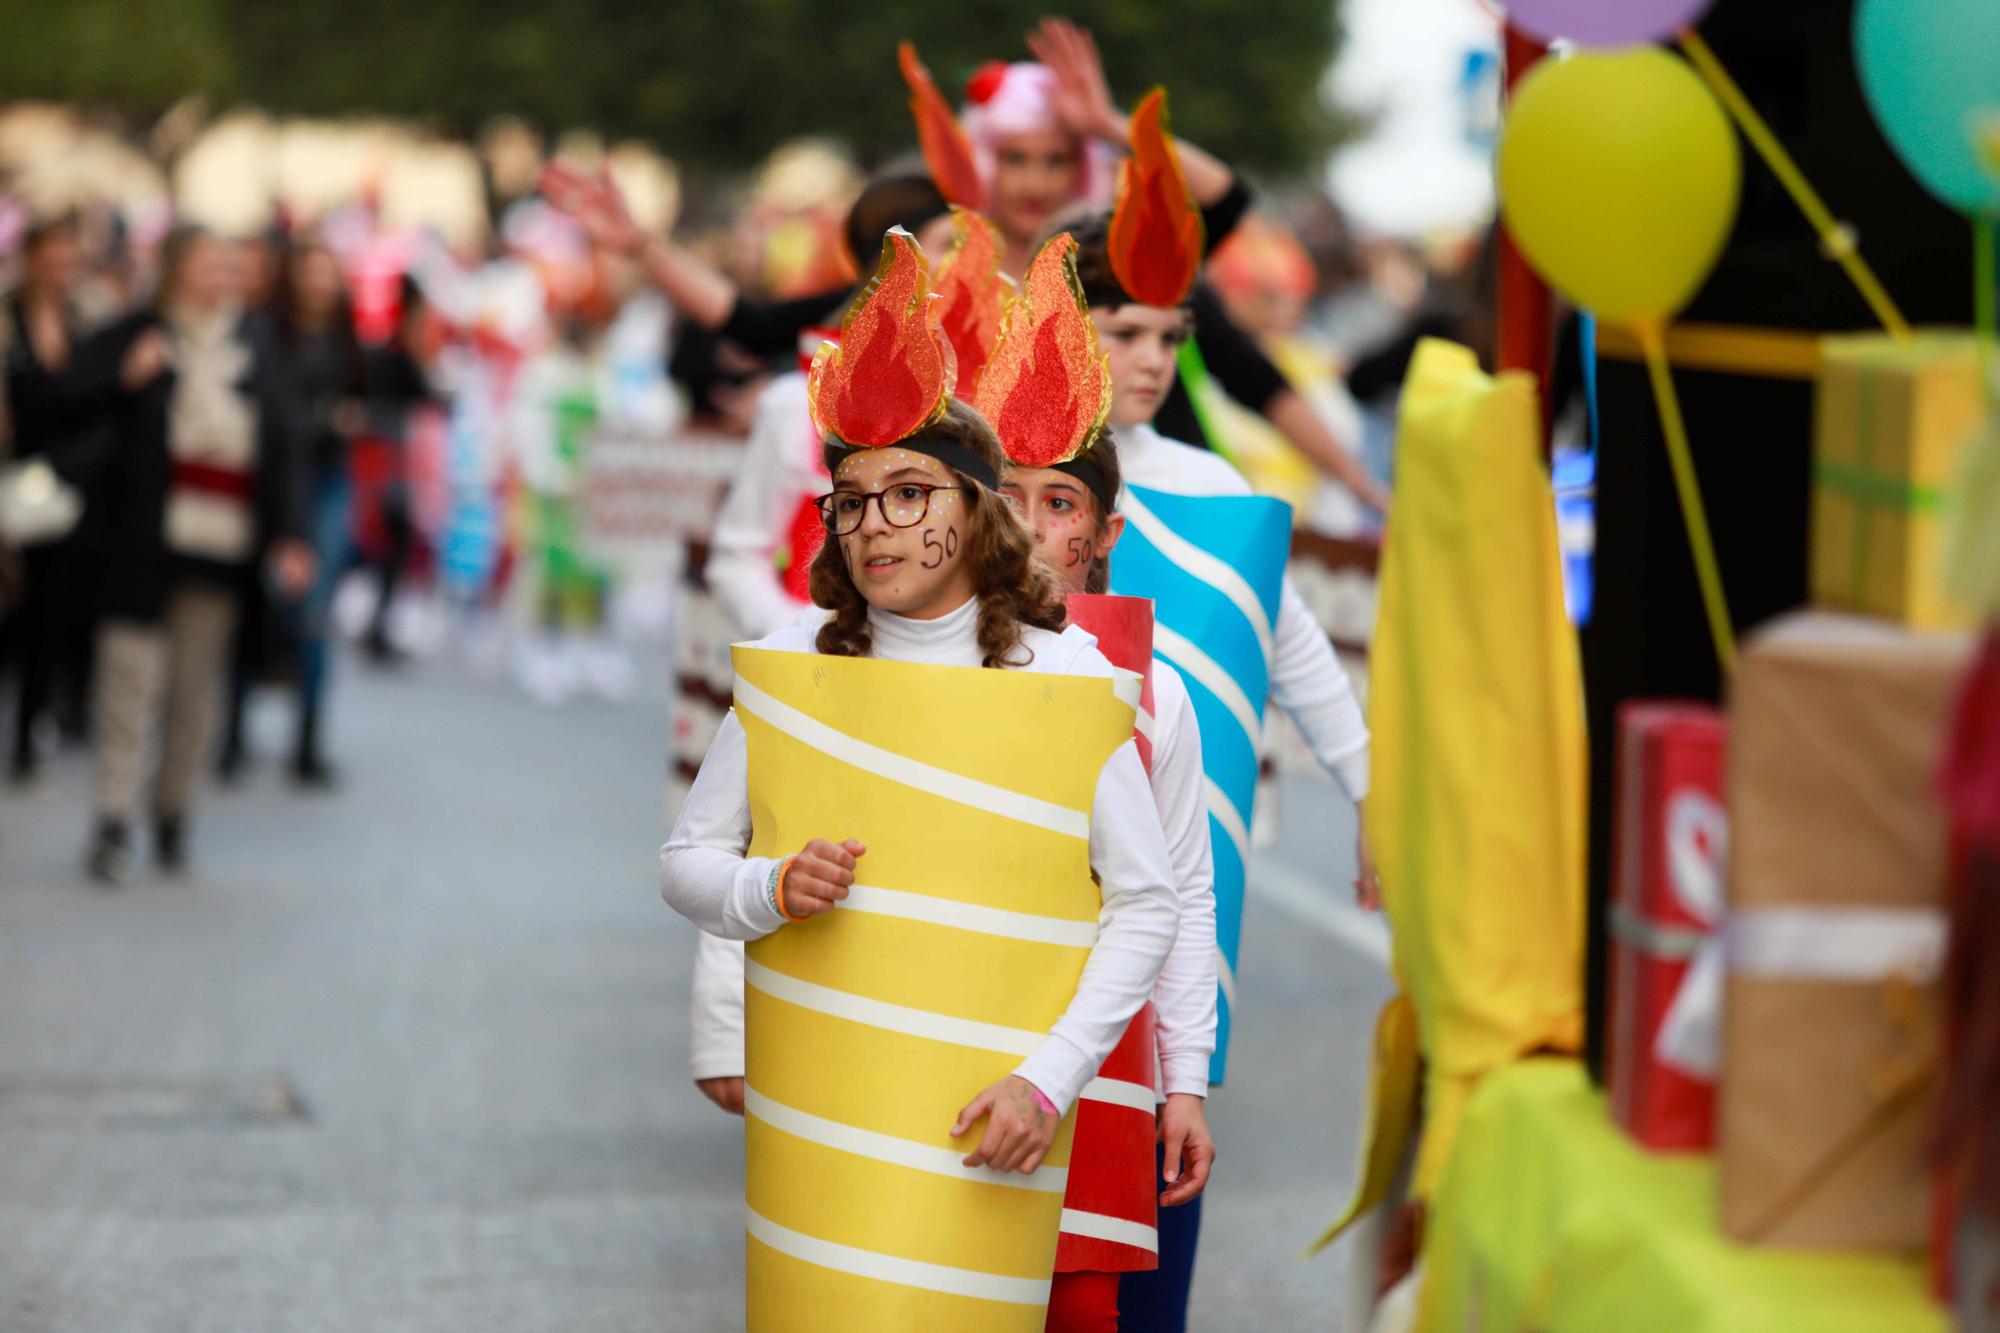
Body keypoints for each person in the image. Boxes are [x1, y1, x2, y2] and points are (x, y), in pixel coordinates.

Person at [661, 230, 1179, 1321]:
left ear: (974, 509)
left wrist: (1049, 1079)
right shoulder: (801, 666)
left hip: (998, 1113)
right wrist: (768, 889)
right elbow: (686, 863)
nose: (870, 524)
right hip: (834, 1106)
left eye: (906, 493)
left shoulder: (1068, 677)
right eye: (848, 500)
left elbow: (1145, 901)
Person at [1054, 119, 1377, 1328]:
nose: (1147, 360)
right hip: (1019, 852)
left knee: (1157, 1105)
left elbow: (1292, 648)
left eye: (1169, 339)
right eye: (1121, 331)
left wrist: (1370, 797)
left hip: (1180, 863)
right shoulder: (980, 477)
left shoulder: (1217, 491)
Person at [87, 225, 310, 883]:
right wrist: (125, 380)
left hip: (221, 543)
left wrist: (290, 535)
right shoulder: (139, 334)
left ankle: (173, 812)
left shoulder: (256, 344)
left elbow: (284, 445)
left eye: (230, 265)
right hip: (142, 539)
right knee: (129, 682)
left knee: (194, 690)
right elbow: (70, 401)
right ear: (179, 268)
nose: (224, 276)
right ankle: (112, 817)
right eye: (211, 263)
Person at [219, 234, 366, 786]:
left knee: (313, 611)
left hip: (326, 480)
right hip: (275, 481)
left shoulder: (344, 339)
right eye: (311, 270)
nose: (319, 283)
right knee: (255, 603)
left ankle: (306, 739)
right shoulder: (265, 332)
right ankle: (233, 732)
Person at [2, 212, 129, 780]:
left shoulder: (90, 320)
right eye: (52, 254)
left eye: (70, 257)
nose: (61, 267)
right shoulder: (8, 321)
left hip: (70, 484)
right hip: (13, 481)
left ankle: (36, 730)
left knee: (55, 612)